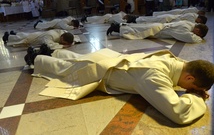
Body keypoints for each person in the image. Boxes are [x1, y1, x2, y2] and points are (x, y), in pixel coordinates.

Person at [32, 48, 214, 125]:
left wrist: (196, 87)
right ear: (189, 78)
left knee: (76, 58)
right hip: (101, 70)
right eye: (193, 87)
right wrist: (196, 97)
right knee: (65, 69)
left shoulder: (175, 62)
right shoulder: (154, 75)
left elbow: (192, 66)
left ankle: (52, 50)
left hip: (109, 57)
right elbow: (178, 113)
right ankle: (35, 58)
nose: (189, 90)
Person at [106, 20, 208, 43]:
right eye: (198, 33)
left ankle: (117, 25)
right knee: (136, 31)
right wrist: (200, 39)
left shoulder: (189, 23)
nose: (195, 34)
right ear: (198, 30)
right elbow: (190, 38)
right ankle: (116, 27)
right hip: (157, 30)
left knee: (137, 27)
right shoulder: (186, 28)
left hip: (159, 27)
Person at [1, 29, 80, 49]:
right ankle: (7, 36)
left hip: (39, 34)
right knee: (21, 39)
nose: (64, 44)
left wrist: (71, 43)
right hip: (34, 38)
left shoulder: (64, 33)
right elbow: (49, 45)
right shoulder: (51, 35)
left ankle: (13, 33)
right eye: (64, 42)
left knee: (23, 35)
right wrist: (62, 46)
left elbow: (74, 38)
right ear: (62, 38)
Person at [124, 13, 207, 24]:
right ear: (200, 19)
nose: (198, 23)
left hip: (168, 18)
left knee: (149, 19)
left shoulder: (193, 15)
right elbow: (191, 23)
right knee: (149, 20)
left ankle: (133, 18)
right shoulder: (192, 17)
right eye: (200, 22)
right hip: (168, 19)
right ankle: (133, 18)